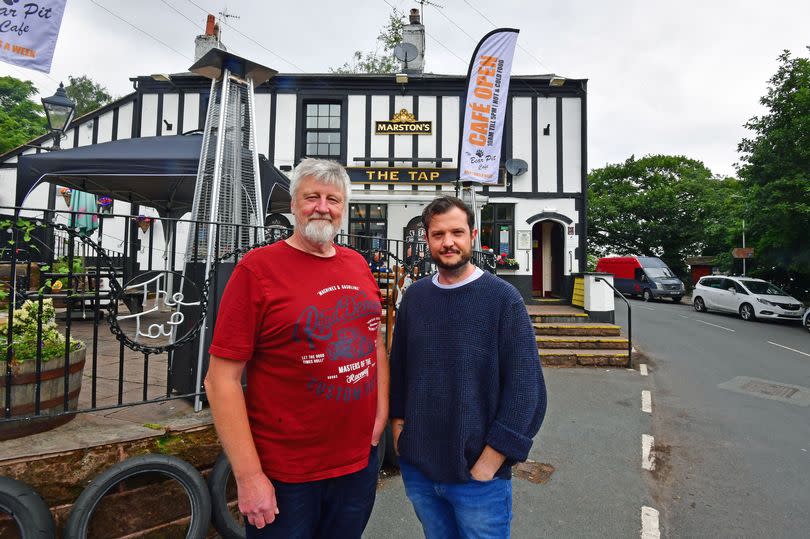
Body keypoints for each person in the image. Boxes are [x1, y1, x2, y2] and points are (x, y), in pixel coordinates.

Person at [205, 158, 388, 538]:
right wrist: (250, 475)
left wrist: (378, 422)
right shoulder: (258, 270)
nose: (323, 207)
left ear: (343, 209)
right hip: (287, 473)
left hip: (357, 465)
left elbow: (374, 342)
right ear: (293, 205)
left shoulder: (358, 265)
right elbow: (220, 380)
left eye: (333, 199)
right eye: (312, 197)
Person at [389, 196, 546, 538]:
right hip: (421, 470)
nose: (448, 242)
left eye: (457, 232)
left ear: (473, 235)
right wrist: (399, 431)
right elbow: (399, 370)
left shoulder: (503, 299)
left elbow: (526, 388)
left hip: (479, 477)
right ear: (427, 239)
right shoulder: (415, 298)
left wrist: (491, 461)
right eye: (438, 234)